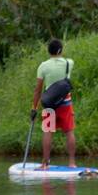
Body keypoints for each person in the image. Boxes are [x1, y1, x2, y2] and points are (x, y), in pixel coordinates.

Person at [31, 38, 77, 168]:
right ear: (60, 50)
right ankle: (72, 163)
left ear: (48, 51)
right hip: (65, 104)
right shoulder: (69, 63)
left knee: (48, 131)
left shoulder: (43, 66)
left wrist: (34, 108)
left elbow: (38, 90)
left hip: (49, 105)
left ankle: (45, 163)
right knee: (69, 131)